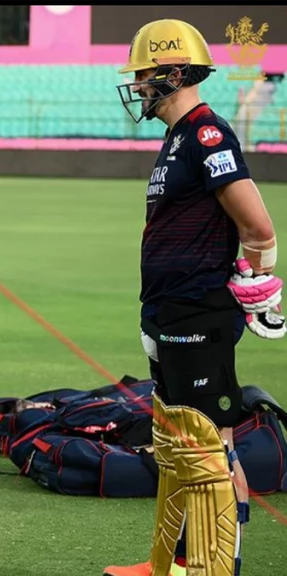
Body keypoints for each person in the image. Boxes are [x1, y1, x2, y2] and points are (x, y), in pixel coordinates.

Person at [102, 19, 284, 576]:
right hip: (168, 311)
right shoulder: (177, 137)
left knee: (208, 447)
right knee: (179, 445)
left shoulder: (208, 133)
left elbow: (258, 228)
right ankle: (172, 563)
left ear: (173, 73)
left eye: (144, 75)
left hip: (198, 313)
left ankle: (214, 568)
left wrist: (259, 291)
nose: (136, 86)